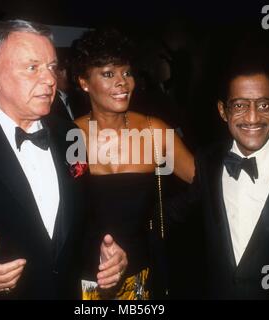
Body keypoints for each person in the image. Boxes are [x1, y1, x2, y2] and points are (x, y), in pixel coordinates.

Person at [0, 19, 127, 300]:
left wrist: (103, 252)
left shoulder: (69, 134)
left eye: (51, 67)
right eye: (33, 68)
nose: (50, 79)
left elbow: (83, 219)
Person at [169, 59, 269, 299]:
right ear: (223, 111)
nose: (253, 117)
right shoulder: (208, 160)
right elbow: (174, 213)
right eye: (240, 106)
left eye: (264, 105)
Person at [70, 28, 195, 300]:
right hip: (83, 279)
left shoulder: (154, 131)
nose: (122, 83)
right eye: (108, 74)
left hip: (139, 277)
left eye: (126, 73)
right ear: (84, 82)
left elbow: (206, 183)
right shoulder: (68, 137)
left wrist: (173, 214)